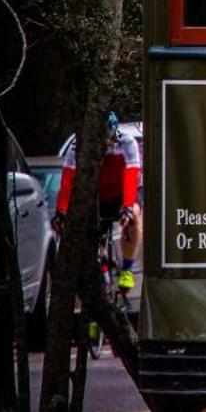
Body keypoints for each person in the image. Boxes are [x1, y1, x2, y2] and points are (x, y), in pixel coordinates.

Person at [53, 114, 142, 291]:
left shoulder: (126, 141)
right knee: (86, 232)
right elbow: (68, 179)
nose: (106, 141)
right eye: (101, 135)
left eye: (109, 135)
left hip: (119, 195)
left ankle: (127, 269)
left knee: (135, 216)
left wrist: (127, 208)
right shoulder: (79, 145)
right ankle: (97, 271)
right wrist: (61, 211)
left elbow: (131, 176)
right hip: (93, 197)